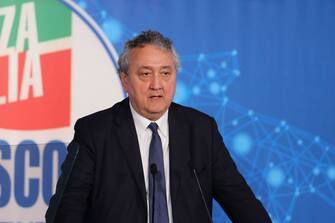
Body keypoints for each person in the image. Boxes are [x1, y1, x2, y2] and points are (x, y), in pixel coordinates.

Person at [46, 30, 272, 223]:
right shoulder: (95, 132)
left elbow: (241, 201)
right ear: (125, 80)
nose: (157, 85)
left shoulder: (201, 130)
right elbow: (65, 212)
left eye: (165, 73)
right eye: (145, 74)